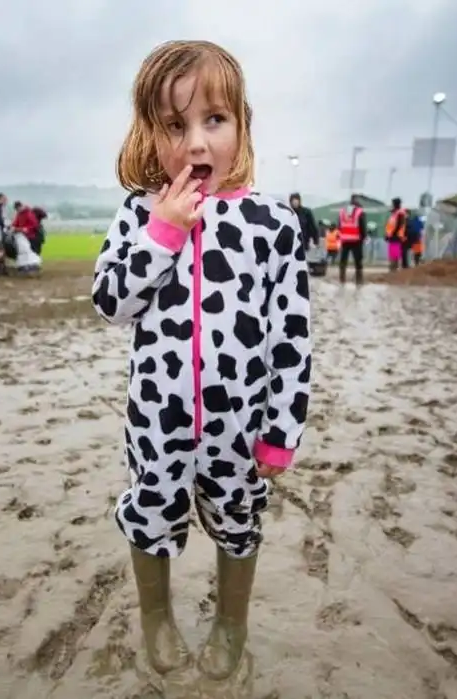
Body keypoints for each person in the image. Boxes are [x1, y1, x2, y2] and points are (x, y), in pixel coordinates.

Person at [91, 39, 311, 695]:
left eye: (213, 120)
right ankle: (156, 616)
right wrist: (161, 231)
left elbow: (292, 339)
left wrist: (281, 432)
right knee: (151, 509)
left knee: (238, 519)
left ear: (241, 124)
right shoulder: (139, 212)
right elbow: (110, 302)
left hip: (239, 427)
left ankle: (231, 624)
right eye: (173, 125)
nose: (195, 144)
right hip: (156, 421)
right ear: (148, 133)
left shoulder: (274, 224)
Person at [337, 194, 367, 283]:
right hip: (356, 240)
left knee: (343, 260)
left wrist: (341, 236)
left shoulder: (342, 211)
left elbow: (339, 226)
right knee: (358, 261)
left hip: (345, 240)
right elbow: (362, 226)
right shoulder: (360, 212)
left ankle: (342, 279)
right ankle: (359, 280)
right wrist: (364, 237)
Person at [385, 197, 407, 272]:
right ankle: (393, 268)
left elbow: (399, 225)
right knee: (392, 254)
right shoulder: (395, 213)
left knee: (394, 254)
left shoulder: (400, 213)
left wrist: (392, 234)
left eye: (393, 204)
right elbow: (391, 225)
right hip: (392, 236)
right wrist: (387, 234)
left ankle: (393, 269)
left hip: (396, 236)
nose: (392, 205)